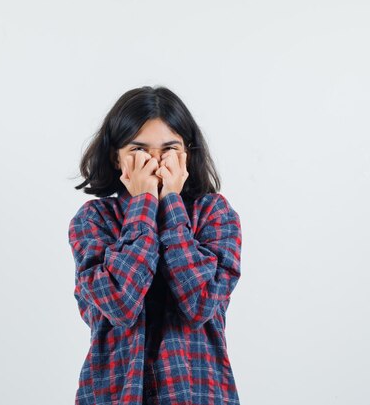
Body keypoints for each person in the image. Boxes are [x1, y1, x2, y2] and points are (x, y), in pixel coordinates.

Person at [68, 85, 242, 405]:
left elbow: (200, 303)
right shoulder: (94, 220)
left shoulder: (214, 213)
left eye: (169, 149)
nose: (155, 161)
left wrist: (171, 204)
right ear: (116, 157)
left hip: (198, 394)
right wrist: (144, 204)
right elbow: (120, 304)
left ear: (187, 154)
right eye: (139, 150)